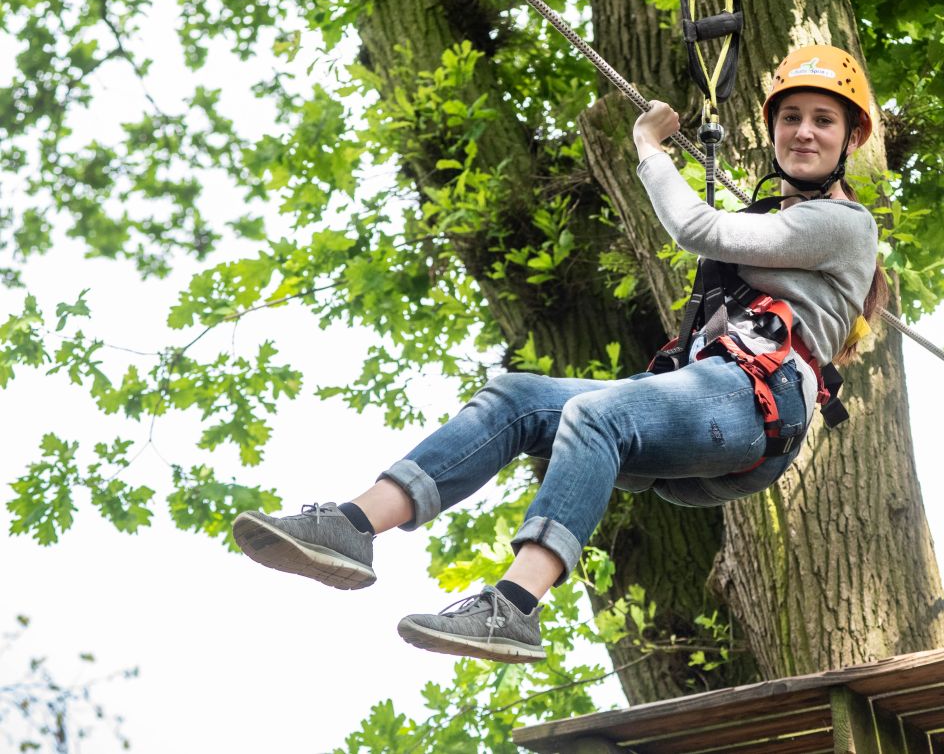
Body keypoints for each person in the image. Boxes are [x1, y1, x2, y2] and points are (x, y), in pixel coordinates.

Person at [230, 44, 888, 664]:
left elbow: (697, 228)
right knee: (517, 397)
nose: (804, 132)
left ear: (851, 138)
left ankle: (513, 606)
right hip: (710, 392)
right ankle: (352, 526)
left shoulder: (843, 225)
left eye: (823, 121)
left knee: (595, 415)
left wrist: (647, 147)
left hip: (750, 401)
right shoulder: (779, 222)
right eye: (791, 117)